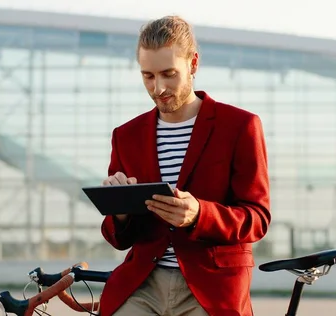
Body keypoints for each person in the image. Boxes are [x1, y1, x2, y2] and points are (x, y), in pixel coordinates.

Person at [97, 15, 271, 316]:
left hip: (211, 285)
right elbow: (118, 239)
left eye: (168, 74)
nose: (158, 88)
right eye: (148, 76)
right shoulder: (126, 136)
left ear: (193, 64)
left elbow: (257, 218)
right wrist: (120, 214)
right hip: (143, 284)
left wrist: (199, 214)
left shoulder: (240, 126)